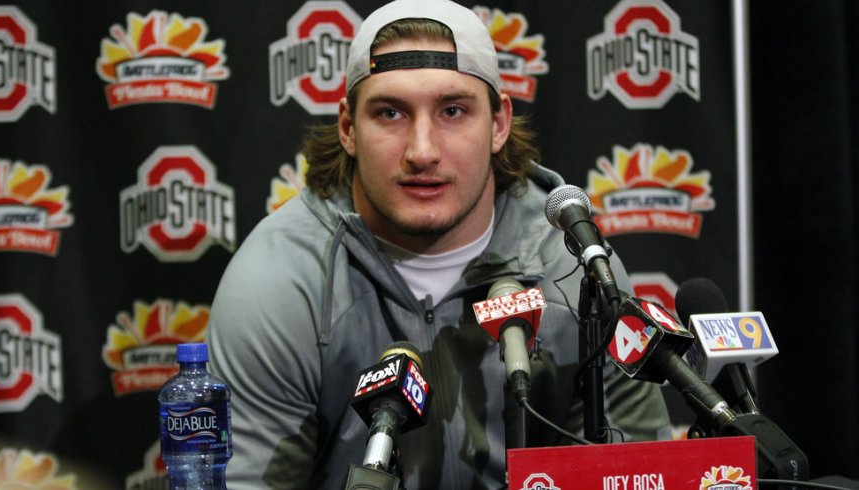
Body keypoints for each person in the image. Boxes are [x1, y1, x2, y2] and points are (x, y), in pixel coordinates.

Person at [207, 0, 672, 488]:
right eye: (390, 112)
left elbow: (639, 472)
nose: (422, 151)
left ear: (497, 124)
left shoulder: (575, 269)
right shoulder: (280, 281)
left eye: (453, 110)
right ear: (348, 128)